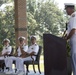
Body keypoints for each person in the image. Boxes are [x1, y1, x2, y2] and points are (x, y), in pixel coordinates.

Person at [64, 3, 76, 75]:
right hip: (73, 41)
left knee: (75, 59)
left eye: (66, 9)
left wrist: (66, 39)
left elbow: (73, 30)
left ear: (70, 9)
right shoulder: (72, 17)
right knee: (73, 60)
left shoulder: (74, 16)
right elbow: (69, 31)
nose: (66, 11)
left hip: (75, 41)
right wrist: (65, 37)